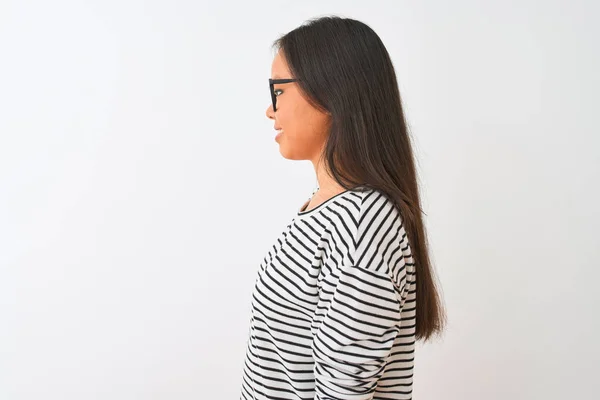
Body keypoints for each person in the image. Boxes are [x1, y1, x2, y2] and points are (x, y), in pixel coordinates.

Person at [240, 15, 446, 400]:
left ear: (331, 93)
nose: (270, 110)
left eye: (278, 92)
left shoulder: (363, 224)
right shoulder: (331, 211)